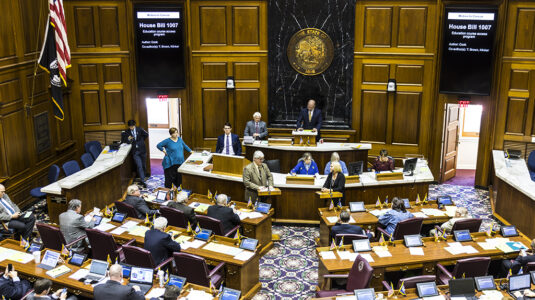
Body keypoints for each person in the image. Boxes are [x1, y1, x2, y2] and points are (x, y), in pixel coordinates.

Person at [121, 120, 149, 186]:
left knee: (143, 165)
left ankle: (144, 176)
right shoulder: (126, 132)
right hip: (135, 151)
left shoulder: (140, 129)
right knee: (139, 165)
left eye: (132, 126)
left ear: (135, 125)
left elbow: (146, 134)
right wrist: (129, 139)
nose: (131, 128)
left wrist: (141, 140)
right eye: (130, 127)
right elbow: (123, 140)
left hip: (142, 149)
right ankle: (142, 180)